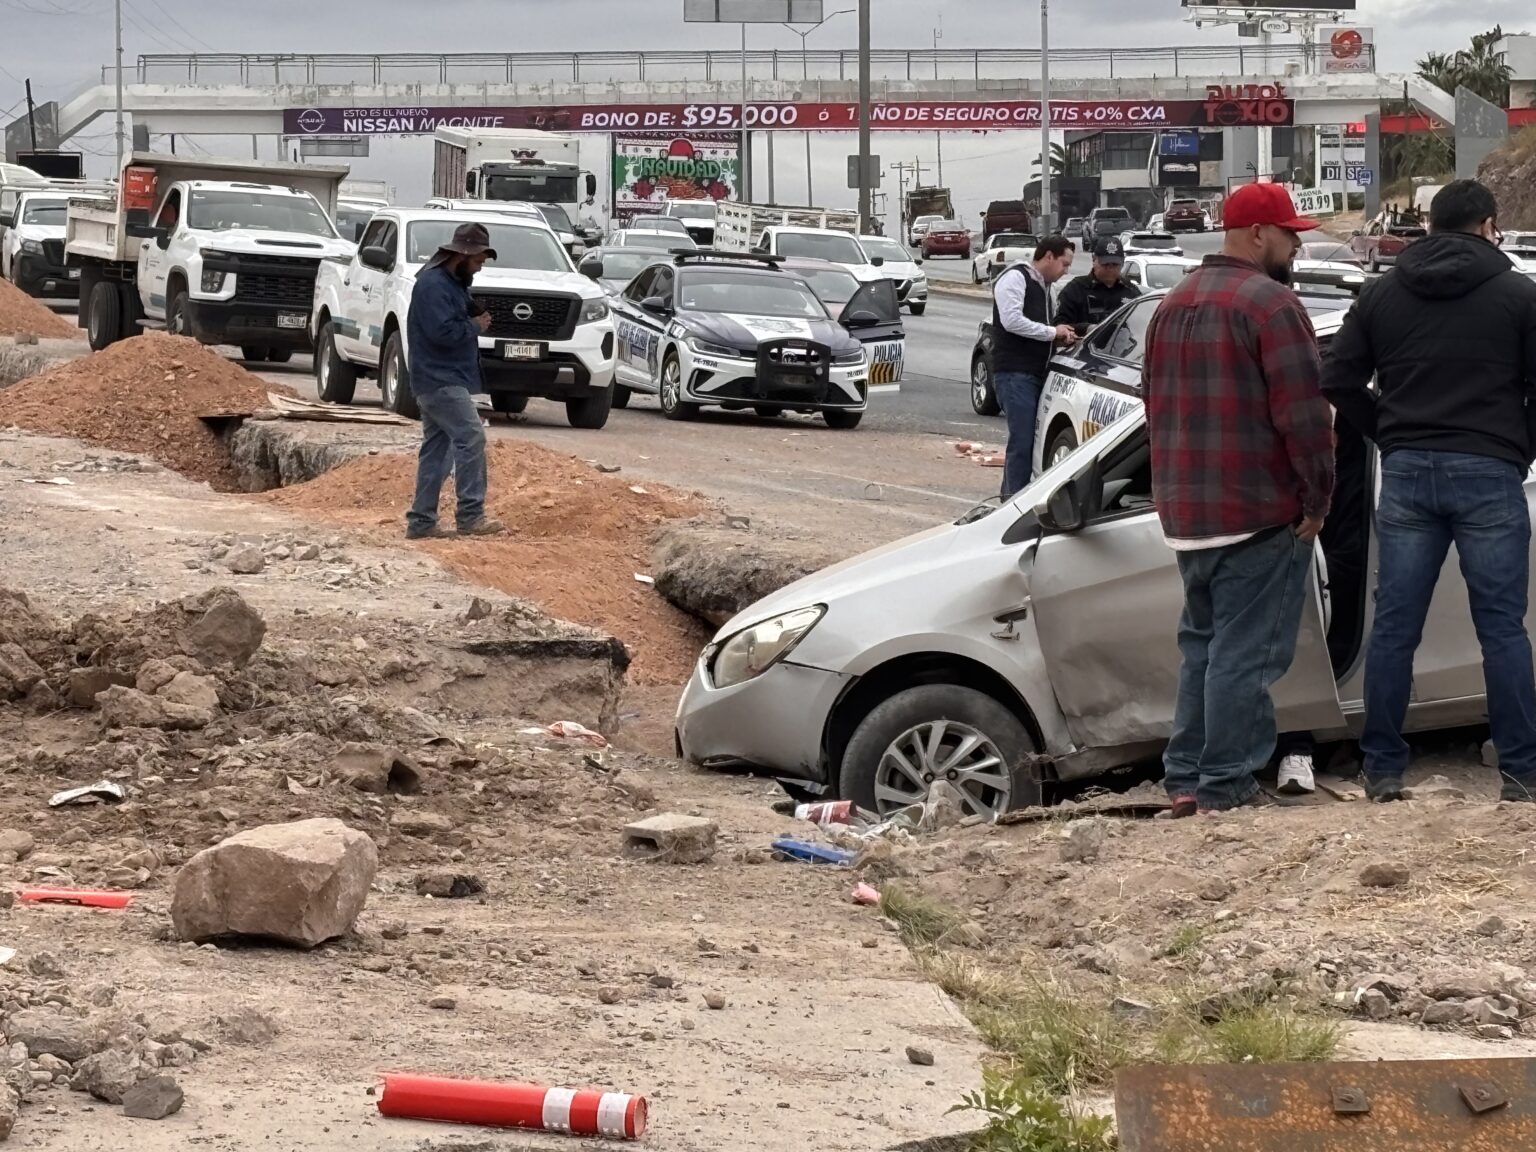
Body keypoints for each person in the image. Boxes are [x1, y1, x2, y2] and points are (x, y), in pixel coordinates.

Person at [1322, 179, 1536, 803]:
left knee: (1394, 627)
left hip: (1409, 472)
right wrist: (1519, 447)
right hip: (1490, 470)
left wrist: (1387, 432)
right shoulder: (1518, 295)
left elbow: (1337, 379)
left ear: (1429, 225)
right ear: (1488, 225)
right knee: (1501, 629)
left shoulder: (1384, 294)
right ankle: (1521, 776)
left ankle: (1383, 769)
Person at [1141, 182, 1335, 815]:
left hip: (1187, 514)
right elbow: (1305, 419)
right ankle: (1225, 784)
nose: (1297, 247)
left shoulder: (1172, 304)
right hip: (1256, 511)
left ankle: (1185, 779)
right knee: (1246, 655)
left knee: (1202, 646)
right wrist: (1317, 501)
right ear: (1258, 234)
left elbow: (1154, 408)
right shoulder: (1272, 306)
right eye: (1290, 234)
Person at [405, 223, 506, 541]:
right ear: (462, 255)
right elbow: (441, 333)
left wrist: (471, 311)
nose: (478, 268)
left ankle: (421, 522)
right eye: (477, 261)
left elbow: (453, 316)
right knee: (471, 438)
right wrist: (474, 325)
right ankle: (470, 516)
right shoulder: (434, 285)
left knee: (437, 449)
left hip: (438, 378)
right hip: (439, 378)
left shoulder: (450, 283)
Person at [991, 235, 1077, 499]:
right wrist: (1052, 332)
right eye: (1064, 263)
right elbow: (1012, 321)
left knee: (1031, 440)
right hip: (1014, 374)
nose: (1066, 271)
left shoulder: (1045, 288)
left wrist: (1061, 337)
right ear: (1048, 256)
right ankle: (1011, 502)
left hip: (1033, 374)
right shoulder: (1016, 278)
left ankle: (1018, 497)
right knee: (1022, 441)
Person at [1056, 236, 1140, 337]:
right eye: (1105, 264)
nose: (1110, 269)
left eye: (1115, 264)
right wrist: (1087, 329)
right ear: (1094, 260)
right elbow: (1059, 325)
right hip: (1084, 349)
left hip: (1123, 349)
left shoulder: (1131, 291)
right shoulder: (1076, 290)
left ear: (1122, 262)